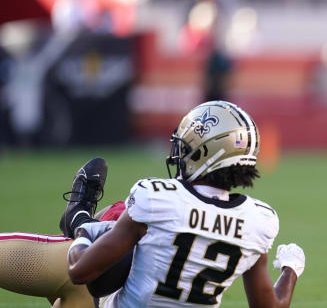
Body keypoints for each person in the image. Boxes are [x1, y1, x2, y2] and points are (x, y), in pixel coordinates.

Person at [0, 100, 306, 308]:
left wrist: (85, 235)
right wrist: (291, 268)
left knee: (99, 243)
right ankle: (83, 218)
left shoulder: (158, 197)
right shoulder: (259, 221)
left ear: (203, 155)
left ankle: (79, 217)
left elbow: (80, 271)